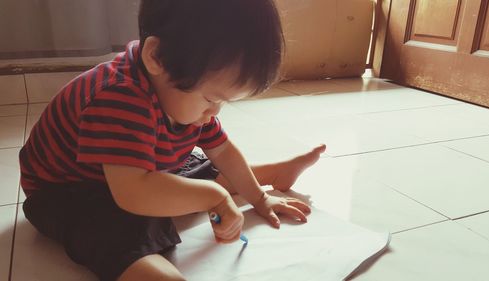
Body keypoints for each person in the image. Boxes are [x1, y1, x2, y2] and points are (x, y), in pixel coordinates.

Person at [19, 0, 326, 280]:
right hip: (68, 191)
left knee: (192, 170)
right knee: (108, 231)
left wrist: (259, 198)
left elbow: (223, 150)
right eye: (210, 99)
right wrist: (213, 197)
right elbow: (133, 194)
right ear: (156, 57)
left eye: (223, 103)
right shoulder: (117, 97)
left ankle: (269, 174)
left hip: (133, 170)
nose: (213, 112)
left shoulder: (179, 88)